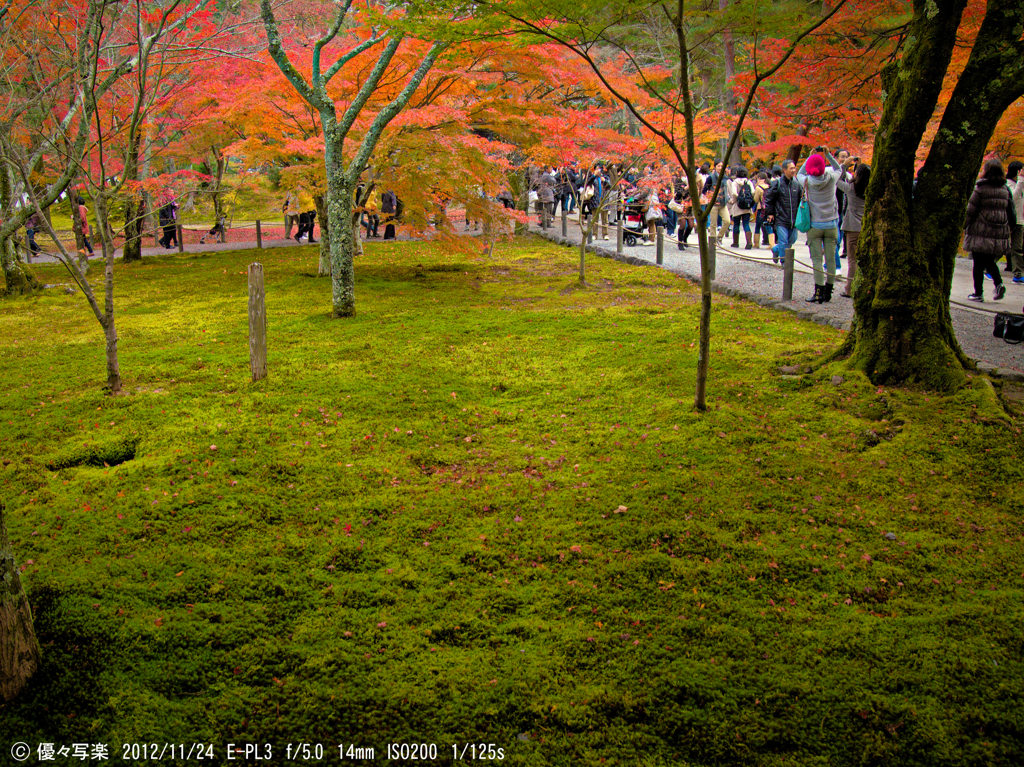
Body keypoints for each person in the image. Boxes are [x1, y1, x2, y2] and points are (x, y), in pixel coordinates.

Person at [797, 147, 844, 303]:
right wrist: (828, 154)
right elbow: (839, 168)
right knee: (830, 259)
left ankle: (818, 292)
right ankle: (829, 291)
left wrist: (809, 157)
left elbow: (799, 173)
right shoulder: (831, 179)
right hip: (831, 224)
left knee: (817, 260)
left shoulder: (806, 181)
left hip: (814, 226)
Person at [964, 158, 1013, 302]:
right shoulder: (1005, 190)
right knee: (989, 260)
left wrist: (964, 225)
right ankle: (998, 283)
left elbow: (970, 210)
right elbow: (1010, 211)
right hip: (999, 231)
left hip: (981, 230)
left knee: (978, 263)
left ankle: (978, 293)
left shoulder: (980, 189)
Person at [836, 160, 868, 298]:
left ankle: (849, 289)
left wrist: (844, 165)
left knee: (852, 260)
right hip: (867, 227)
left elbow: (836, 180)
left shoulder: (852, 188)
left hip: (853, 227)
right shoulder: (871, 189)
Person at [763, 160, 801, 267]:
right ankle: (784, 262)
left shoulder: (797, 184)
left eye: (794, 168)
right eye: (791, 168)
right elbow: (769, 199)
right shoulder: (778, 183)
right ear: (784, 170)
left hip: (793, 218)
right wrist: (770, 213)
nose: (793, 170)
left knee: (792, 239)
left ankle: (776, 249)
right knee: (783, 241)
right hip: (781, 217)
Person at [703, 160, 731, 244]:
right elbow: (704, 190)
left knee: (727, 221)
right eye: (718, 166)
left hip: (723, 203)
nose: (720, 168)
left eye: (722, 166)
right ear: (715, 167)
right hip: (714, 204)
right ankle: (712, 242)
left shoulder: (725, 177)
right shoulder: (710, 178)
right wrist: (710, 198)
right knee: (713, 224)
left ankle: (719, 238)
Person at [728, 166, 755, 249]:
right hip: (746, 206)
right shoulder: (749, 182)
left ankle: (736, 242)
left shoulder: (735, 182)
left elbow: (734, 193)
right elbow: (753, 192)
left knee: (736, 224)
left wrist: (737, 199)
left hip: (737, 205)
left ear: (737, 173)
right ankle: (749, 242)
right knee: (746, 223)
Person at [1007, 160, 1023, 284]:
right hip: (1011, 220)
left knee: (1017, 248)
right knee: (1003, 246)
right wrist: (1021, 180)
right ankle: (988, 268)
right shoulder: (1009, 184)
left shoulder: (1021, 183)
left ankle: (1018, 274)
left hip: (1020, 220)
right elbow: (1013, 196)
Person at [753, 171, 772, 248]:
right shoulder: (769, 186)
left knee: (758, 225)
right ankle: (772, 243)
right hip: (768, 208)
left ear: (759, 178)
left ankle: (756, 243)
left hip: (761, 208)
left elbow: (756, 199)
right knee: (768, 225)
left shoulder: (758, 187)